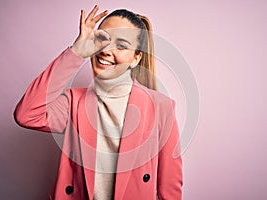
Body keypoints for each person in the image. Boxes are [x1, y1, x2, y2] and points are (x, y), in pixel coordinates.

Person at [14, 5, 182, 200]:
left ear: (136, 58)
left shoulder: (161, 107)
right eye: (103, 39)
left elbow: (170, 187)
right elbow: (26, 115)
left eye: (121, 45)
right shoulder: (73, 102)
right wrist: (76, 52)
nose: (107, 51)